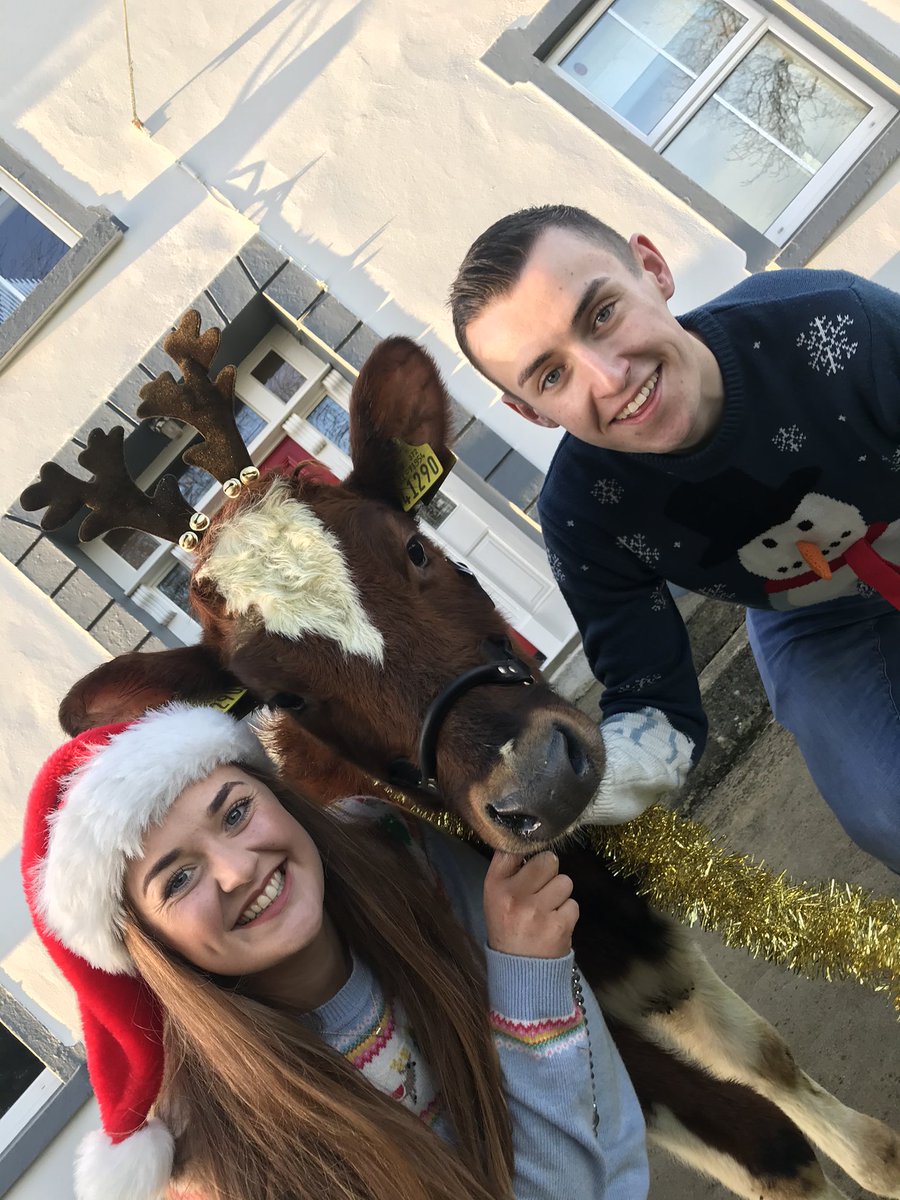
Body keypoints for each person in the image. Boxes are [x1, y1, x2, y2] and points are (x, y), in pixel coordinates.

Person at [22, 703, 649, 1200]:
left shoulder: (402, 852)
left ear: (277, 794)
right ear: (149, 947)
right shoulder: (210, 1165)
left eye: (235, 813)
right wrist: (530, 983)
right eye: (179, 879)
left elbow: (611, 1122)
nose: (238, 871)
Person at [450, 204, 900, 873]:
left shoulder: (831, 322)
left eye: (602, 314)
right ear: (529, 412)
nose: (610, 379)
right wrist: (574, 788)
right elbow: (649, 696)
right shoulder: (582, 514)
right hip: (809, 617)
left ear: (653, 268)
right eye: (552, 376)